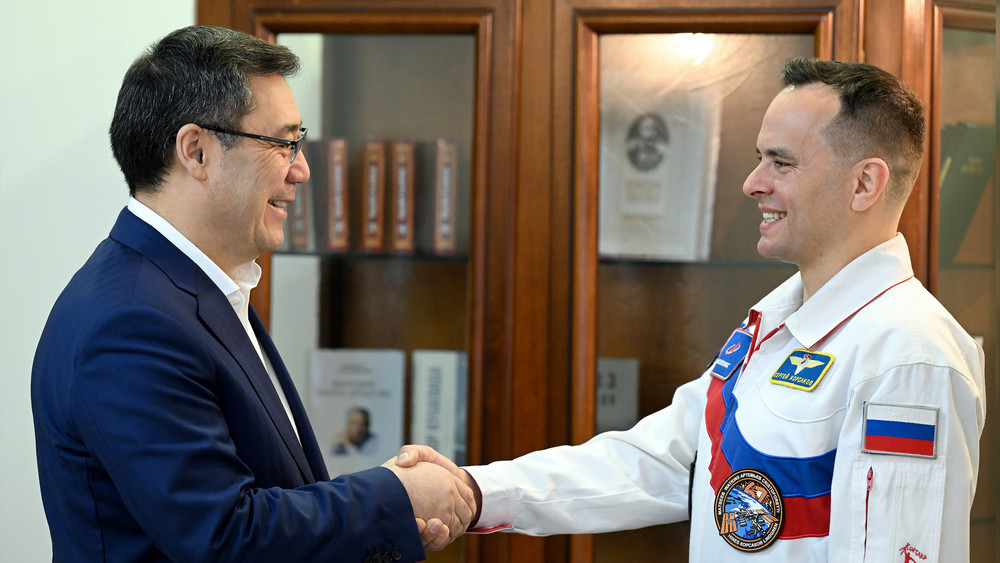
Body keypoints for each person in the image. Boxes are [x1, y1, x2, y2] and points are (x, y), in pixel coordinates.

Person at [398, 58, 987, 561]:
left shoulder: (908, 356)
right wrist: (476, 492)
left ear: (864, 184)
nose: (752, 183)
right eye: (759, 159)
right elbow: (661, 459)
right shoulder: (777, 321)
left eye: (781, 163)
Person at [31, 25, 473, 562]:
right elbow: (225, 537)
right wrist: (394, 498)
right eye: (283, 144)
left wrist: (388, 514)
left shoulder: (193, 289)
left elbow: (269, 495)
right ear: (196, 151)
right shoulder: (130, 323)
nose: (301, 170)